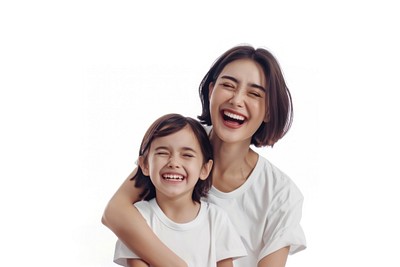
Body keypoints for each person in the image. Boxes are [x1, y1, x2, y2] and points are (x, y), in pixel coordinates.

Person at [102, 45, 307, 267]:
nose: (237, 100)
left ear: (268, 110)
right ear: (211, 91)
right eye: (228, 85)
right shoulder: (180, 145)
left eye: (254, 93)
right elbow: (115, 212)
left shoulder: (281, 194)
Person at [113, 113, 247, 267]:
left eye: (187, 155)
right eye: (163, 153)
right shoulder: (138, 219)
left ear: (205, 169)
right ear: (144, 164)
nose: (174, 163)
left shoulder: (216, 219)